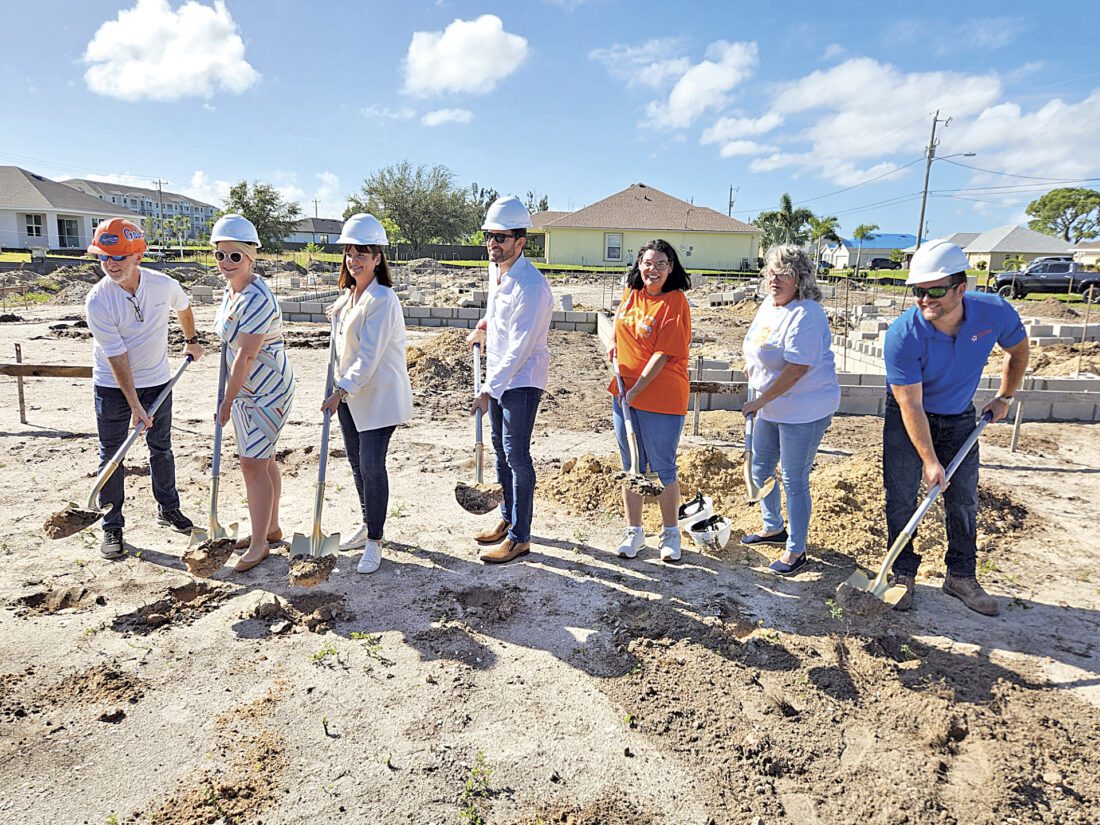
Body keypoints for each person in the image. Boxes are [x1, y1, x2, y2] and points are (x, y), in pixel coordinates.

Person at [884, 239, 1029, 616]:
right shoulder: (903, 334)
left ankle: (961, 576)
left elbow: (1018, 351)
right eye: (918, 291)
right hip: (909, 416)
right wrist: (930, 460)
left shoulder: (993, 313)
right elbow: (910, 403)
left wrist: (1005, 396)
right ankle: (901, 573)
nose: (925, 299)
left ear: (961, 288)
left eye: (936, 290)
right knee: (901, 495)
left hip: (960, 414)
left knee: (963, 499)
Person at [85, 218, 204, 558]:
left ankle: (168, 508)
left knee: (160, 447)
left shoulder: (162, 284)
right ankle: (112, 525)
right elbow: (116, 357)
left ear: (138, 256)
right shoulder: (98, 301)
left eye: (118, 257)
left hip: (158, 380)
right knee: (113, 452)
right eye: (104, 257)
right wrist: (134, 403)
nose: (110, 264)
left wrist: (191, 340)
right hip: (112, 386)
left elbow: (184, 307)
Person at [320, 214, 413, 575]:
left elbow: (369, 355)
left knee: (372, 466)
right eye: (349, 252)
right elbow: (344, 339)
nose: (354, 258)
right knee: (358, 465)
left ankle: (375, 541)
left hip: (376, 397)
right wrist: (338, 312)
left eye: (364, 252)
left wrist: (341, 390)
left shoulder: (383, 299)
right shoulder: (350, 297)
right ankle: (366, 522)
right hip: (349, 398)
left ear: (378, 258)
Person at [740, 244, 840, 574]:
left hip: (804, 408)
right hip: (771, 403)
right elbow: (756, 345)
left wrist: (760, 398)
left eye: (784, 274)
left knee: (794, 479)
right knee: (761, 468)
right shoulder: (769, 306)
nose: (775, 279)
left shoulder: (807, 314)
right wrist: (750, 367)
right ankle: (773, 527)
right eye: (771, 272)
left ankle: (796, 550)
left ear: (800, 279)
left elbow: (797, 369)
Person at [467, 196, 553, 564]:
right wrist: (485, 325)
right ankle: (507, 518)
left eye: (501, 238)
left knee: (517, 456)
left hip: (521, 381)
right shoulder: (499, 272)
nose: (493, 244)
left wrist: (488, 389)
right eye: (490, 236)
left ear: (521, 241)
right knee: (502, 454)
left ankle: (520, 537)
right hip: (501, 377)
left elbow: (519, 347)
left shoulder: (531, 287)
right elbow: (498, 314)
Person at [210, 214, 295, 573]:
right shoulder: (233, 291)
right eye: (220, 255)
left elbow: (246, 355)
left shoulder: (257, 298)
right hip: (247, 389)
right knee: (264, 459)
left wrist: (226, 401)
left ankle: (259, 543)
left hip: (266, 391)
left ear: (251, 257)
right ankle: (271, 529)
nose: (226, 263)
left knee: (252, 464)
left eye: (235, 256)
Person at [611, 239, 692, 563]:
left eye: (661, 264)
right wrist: (613, 347)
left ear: (671, 268)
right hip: (625, 395)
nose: (653, 269)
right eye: (648, 263)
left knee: (662, 467)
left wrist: (636, 390)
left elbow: (662, 354)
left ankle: (671, 534)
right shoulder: (631, 294)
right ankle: (635, 532)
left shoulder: (675, 302)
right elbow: (620, 330)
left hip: (661, 398)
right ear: (639, 264)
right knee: (632, 467)